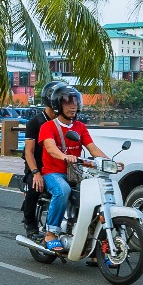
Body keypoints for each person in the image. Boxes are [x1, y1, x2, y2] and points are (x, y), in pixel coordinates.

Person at [37, 86, 112, 251]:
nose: (73, 106)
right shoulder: (48, 127)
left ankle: (95, 241)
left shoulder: (80, 127)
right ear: (58, 105)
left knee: (97, 194)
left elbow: (93, 149)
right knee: (62, 190)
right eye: (68, 102)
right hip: (53, 173)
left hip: (76, 173)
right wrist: (64, 156)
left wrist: (110, 162)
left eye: (76, 102)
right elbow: (50, 148)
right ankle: (51, 233)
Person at [19, 90, 61, 237]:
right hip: (36, 165)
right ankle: (29, 220)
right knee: (35, 185)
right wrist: (35, 172)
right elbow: (28, 152)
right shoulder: (35, 122)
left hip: (57, 166)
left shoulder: (63, 121)